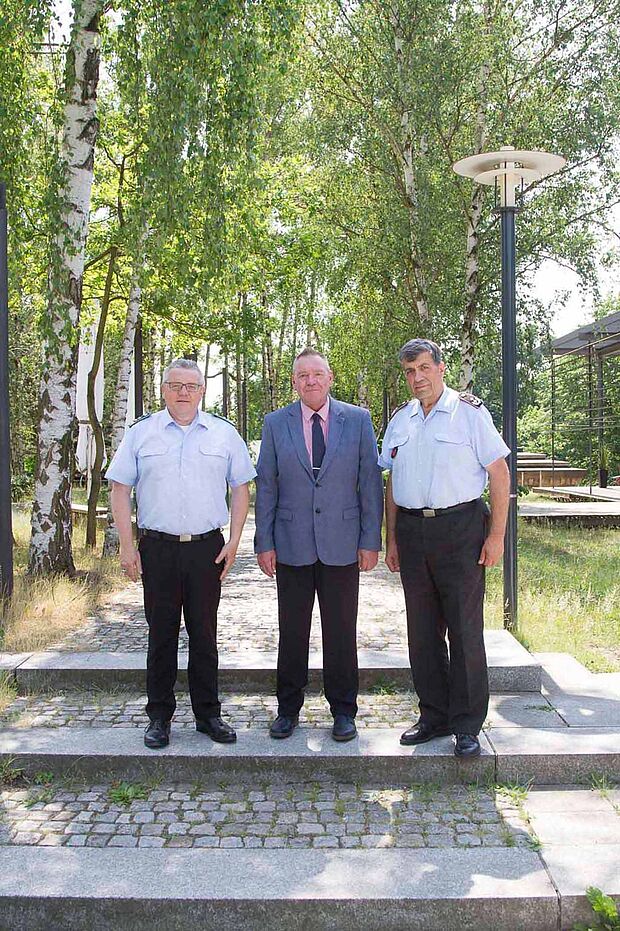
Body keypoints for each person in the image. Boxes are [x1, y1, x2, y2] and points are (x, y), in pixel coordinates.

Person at [107, 358, 256, 749]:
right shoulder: (142, 434)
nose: (183, 393)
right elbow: (119, 488)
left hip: (206, 550)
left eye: (191, 386)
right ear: (163, 389)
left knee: (205, 635)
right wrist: (126, 545)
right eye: (175, 385)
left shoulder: (223, 434)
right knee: (161, 636)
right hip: (157, 549)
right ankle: (159, 718)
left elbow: (242, 486)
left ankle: (208, 715)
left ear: (202, 391)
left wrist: (235, 540)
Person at [380, 338, 510, 758]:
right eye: (409, 372)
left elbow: (500, 475)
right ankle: (433, 715)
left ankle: (467, 724)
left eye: (423, 368)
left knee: (464, 629)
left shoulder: (469, 413)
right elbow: (393, 484)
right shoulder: (401, 420)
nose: (417, 378)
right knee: (422, 631)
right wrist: (392, 538)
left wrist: (495, 538)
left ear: (440, 367)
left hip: (461, 531)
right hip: (414, 533)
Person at [254, 348, 384, 742]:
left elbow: (370, 484)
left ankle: (344, 711)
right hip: (291, 544)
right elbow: (267, 485)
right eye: (302, 376)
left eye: (317, 374)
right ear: (294, 382)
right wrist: (264, 541)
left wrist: (370, 540)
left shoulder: (358, 420)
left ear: (330, 378)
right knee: (292, 630)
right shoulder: (276, 424)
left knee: (341, 631)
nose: (310, 381)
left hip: (343, 546)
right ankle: (287, 709)